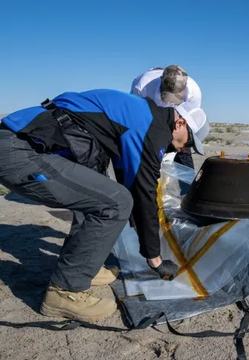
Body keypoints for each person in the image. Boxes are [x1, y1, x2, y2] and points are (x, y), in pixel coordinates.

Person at [0, 89, 210, 322]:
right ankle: (64, 291)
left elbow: (129, 180)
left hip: (25, 142)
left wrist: (138, 229)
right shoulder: (154, 127)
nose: (183, 149)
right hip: (20, 150)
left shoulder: (144, 114)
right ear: (179, 122)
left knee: (100, 194)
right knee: (116, 202)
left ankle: (83, 266)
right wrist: (155, 259)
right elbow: (143, 193)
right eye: (188, 142)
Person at [131, 65, 202, 169]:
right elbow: (138, 119)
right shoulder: (142, 87)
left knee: (184, 154)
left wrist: (178, 142)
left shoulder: (194, 92)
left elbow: (190, 122)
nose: (169, 102)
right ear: (160, 81)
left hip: (177, 123)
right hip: (150, 118)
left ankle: (188, 184)